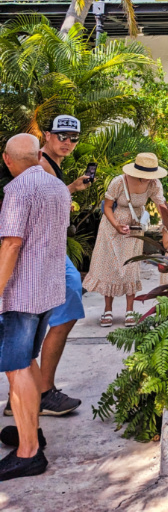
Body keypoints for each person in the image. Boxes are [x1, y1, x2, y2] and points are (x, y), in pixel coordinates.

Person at [3, 116, 90, 419]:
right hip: (35, 257)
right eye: (62, 136)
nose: (68, 142)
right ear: (47, 137)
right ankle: (38, 394)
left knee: (28, 340)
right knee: (21, 345)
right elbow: (14, 239)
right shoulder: (36, 168)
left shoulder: (47, 168)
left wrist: (72, 188)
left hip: (46, 254)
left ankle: (36, 394)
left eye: (74, 138)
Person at [0, 134, 71, 480]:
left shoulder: (17, 190)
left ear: (7, 159)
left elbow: (12, 244)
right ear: (39, 154)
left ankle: (29, 452)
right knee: (26, 359)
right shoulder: (57, 187)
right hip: (47, 290)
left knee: (16, 369)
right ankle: (32, 432)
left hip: (22, 295)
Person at [83, 152, 167, 328]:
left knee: (131, 268)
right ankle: (107, 310)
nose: (147, 178)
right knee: (111, 268)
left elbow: (162, 206)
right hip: (113, 227)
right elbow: (106, 207)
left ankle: (129, 310)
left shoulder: (153, 184)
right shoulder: (119, 182)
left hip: (135, 228)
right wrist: (116, 225)